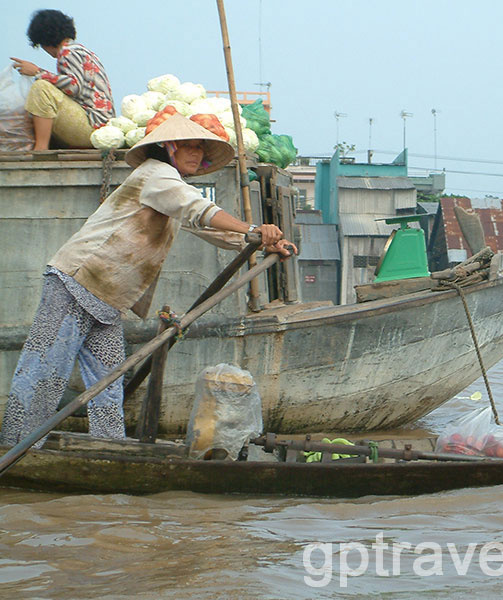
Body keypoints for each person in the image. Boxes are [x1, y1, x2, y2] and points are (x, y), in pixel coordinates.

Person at [0, 111, 296, 447]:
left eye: (199, 148)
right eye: (188, 146)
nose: (196, 154)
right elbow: (198, 210)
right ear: (169, 148)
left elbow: (206, 226)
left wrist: (260, 241)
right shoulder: (157, 175)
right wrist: (253, 229)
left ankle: (109, 449)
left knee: (108, 382)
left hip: (108, 298)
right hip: (75, 282)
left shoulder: (170, 187)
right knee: (45, 371)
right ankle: (18, 447)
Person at [10, 9, 114, 150]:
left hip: (93, 126)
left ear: (46, 39)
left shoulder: (68, 52)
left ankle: (41, 149)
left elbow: (73, 86)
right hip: (100, 127)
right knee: (44, 90)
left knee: (41, 88)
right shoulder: (79, 50)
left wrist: (37, 72)